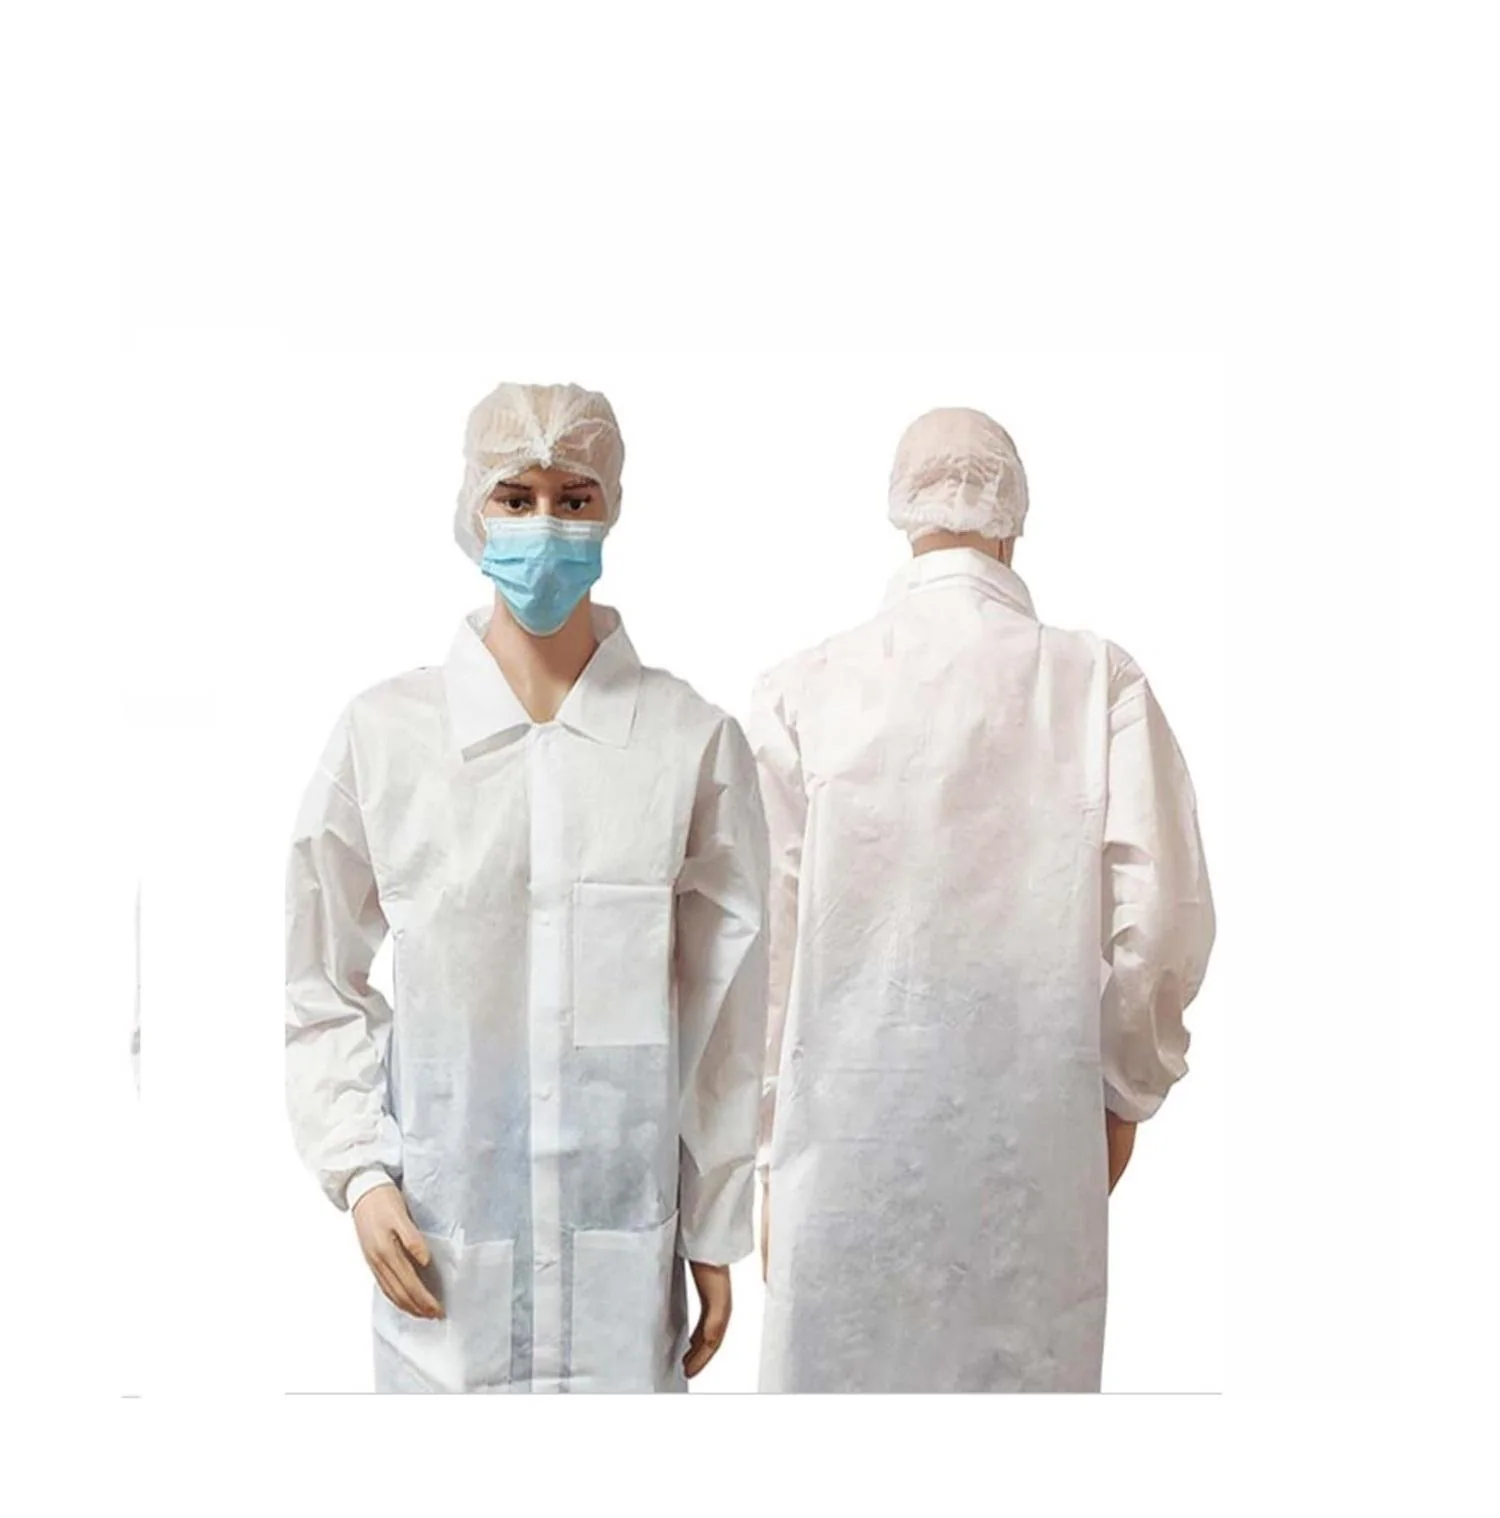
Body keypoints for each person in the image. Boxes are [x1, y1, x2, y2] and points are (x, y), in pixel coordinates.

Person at [285, 381, 769, 1393]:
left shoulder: (688, 743)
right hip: (446, 1263)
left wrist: (715, 1220)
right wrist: (361, 1171)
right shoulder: (387, 739)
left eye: (573, 498)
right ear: (475, 507)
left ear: (612, 509)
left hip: (621, 1276)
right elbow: (318, 979)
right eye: (516, 497)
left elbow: (726, 1008)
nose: (545, 524)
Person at [749, 406, 1215, 1392]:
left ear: (903, 513)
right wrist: (1123, 1092)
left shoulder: (803, 691)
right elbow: (1162, 919)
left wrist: (761, 1152)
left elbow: (758, 949)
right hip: (1030, 1161)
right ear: (1015, 519)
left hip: (842, 1161)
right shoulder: (1094, 682)